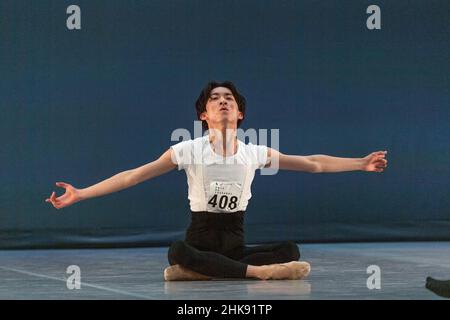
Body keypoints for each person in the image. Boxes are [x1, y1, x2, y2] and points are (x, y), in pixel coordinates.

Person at [46, 81, 388, 281]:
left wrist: (360, 163)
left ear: (239, 113)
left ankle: (202, 272)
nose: (223, 101)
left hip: (236, 238)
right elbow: (132, 176)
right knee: (177, 251)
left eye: (230, 99)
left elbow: (313, 164)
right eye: (215, 99)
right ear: (203, 115)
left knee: (289, 249)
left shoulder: (254, 152)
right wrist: (80, 194)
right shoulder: (188, 150)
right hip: (201, 235)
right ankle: (256, 274)